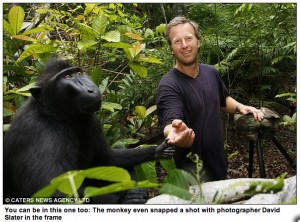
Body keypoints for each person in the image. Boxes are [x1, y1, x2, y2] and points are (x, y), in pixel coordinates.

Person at [156, 16, 264, 181]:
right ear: (171, 48)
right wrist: (175, 133)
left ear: (198, 41)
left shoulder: (211, 72)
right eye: (177, 41)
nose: (184, 45)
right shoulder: (169, 84)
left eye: (189, 38)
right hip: (193, 176)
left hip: (218, 164)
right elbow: (170, 122)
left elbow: (222, 100)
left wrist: (240, 107)